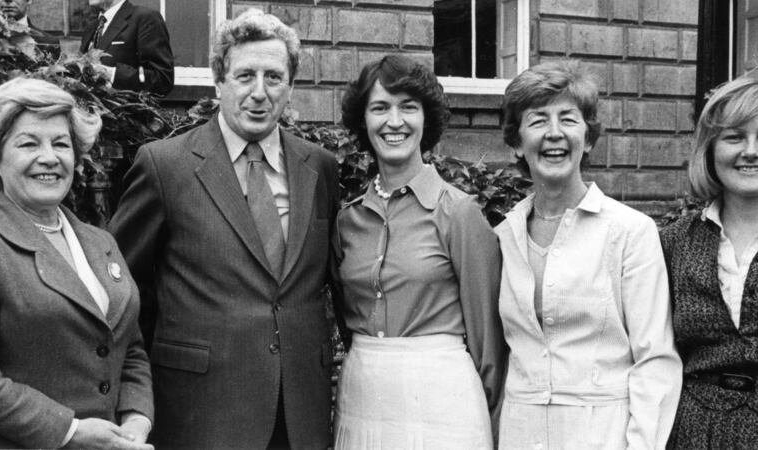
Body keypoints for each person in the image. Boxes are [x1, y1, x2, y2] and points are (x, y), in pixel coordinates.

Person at [109, 9, 339, 449]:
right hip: (200, 409)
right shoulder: (165, 166)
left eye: (274, 77)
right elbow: (125, 293)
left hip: (299, 413)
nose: (259, 93)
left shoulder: (320, 168)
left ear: (290, 87)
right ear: (219, 83)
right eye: (244, 76)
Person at [494, 60, 682, 449]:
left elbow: (655, 360)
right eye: (537, 120)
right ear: (516, 141)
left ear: (589, 137)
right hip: (520, 432)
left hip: (602, 434)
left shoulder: (630, 232)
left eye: (568, 118)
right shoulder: (502, 236)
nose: (554, 133)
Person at [332, 54, 505, 449]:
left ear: (426, 119)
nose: (395, 122)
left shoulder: (458, 213)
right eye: (380, 108)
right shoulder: (348, 221)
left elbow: (488, 345)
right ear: (364, 120)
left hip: (443, 403)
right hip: (364, 398)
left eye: (408, 107)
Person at [0, 77, 153, 449]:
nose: (49, 157)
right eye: (29, 143)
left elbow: (128, 348)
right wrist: (70, 432)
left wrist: (136, 419)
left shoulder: (101, 242)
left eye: (60, 144)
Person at [661, 76, 758, 448]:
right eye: (734, 137)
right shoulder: (673, 242)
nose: (750, 151)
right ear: (710, 149)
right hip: (692, 435)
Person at [80, 0, 173, 96]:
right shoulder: (91, 27)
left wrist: (110, 74)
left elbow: (162, 79)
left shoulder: (145, 18)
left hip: (128, 109)